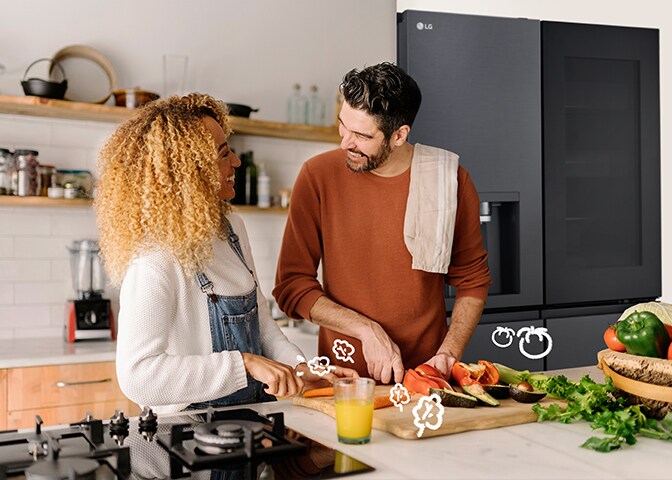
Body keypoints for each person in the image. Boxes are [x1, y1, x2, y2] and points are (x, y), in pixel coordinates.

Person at [95, 93, 355, 414]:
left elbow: (261, 322)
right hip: (190, 437)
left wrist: (299, 367)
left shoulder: (232, 227)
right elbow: (137, 377)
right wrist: (243, 364)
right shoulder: (155, 256)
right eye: (222, 154)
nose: (235, 161)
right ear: (189, 170)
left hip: (251, 418)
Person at [273, 63, 491, 385]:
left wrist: (448, 354)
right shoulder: (317, 176)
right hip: (342, 380)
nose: (345, 143)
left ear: (399, 135)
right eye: (342, 126)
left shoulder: (449, 180)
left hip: (425, 378)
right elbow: (291, 287)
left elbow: (472, 281)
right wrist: (367, 330)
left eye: (361, 135)